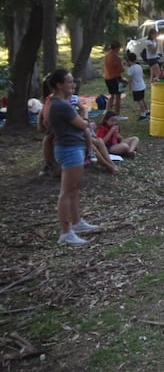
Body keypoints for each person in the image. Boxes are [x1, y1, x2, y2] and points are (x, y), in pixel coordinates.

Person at [47, 69, 100, 246]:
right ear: (59, 85)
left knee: (74, 188)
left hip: (73, 148)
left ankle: (77, 223)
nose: (73, 84)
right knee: (66, 192)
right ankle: (65, 232)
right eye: (69, 82)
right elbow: (82, 123)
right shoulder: (60, 105)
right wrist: (84, 112)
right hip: (68, 150)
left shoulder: (63, 103)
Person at [103, 41, 125, 114]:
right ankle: (117, 113)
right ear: (116, 48)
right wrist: (123, 64)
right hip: (115, 78)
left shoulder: (107, 56)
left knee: (111, 95)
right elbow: (121, 70)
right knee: (118, 96)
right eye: (119, 48)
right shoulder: (116, 58)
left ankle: (107, 110)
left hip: (107, 78)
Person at [126, 52, 149, 120]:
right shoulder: (139, 66)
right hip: (142, 85)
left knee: (139, 101)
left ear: (129, 61)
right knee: (142, 99)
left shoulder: (130, 69)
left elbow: (130, 80)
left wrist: (129, 89)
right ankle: (147, 111)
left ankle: (143, 114)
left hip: (136, 87)